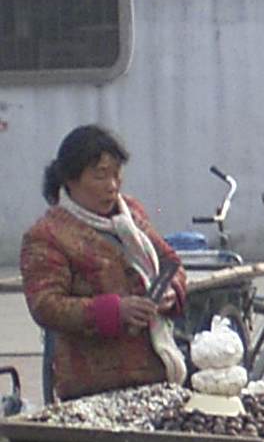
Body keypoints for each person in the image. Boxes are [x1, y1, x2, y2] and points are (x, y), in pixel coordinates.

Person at [22, 125, 189, 401]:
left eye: (116, 174)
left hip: (158, 372)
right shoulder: (47, 235)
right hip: (94, 384)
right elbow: (45, 304)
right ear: (70, 180)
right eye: (100, 175)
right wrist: (115, 311)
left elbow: (169, 260)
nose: (112, 185)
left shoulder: (131, 213)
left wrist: (169, 289)